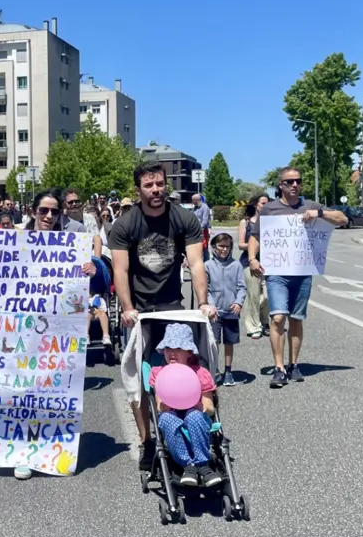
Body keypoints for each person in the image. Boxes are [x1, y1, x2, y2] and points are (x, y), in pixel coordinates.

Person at [0, 188, 97, 480]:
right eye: (43, 210)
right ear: (32, 211)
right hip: (17, 328)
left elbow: (95, 284)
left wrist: (93, 269)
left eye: (54, 211)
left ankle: (46, 449)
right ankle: (20, 451)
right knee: (20, 389)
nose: (48, 216)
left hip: (54, 332)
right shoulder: (13, 239)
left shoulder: (72, 243)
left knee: (47, 390)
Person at [108, 162, 214, 472]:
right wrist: (127, 307)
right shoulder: (126, 224)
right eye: (148, 186)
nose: (156, 190)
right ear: (138, 190)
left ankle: (193, 430)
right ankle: (147, 440)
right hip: (140, 311)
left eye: (159, 184)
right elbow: (121, 269)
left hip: (173, 306)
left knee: (188, 368)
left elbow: (195, 264)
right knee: (140, 379)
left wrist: (204, 303)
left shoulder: (183, 218)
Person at [246, 167, 347, 388]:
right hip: (277, 273)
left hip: (302, 273)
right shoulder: (270, 210)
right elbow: (255, 236)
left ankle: (294, 364)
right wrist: (253, 258)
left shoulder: (309, 206)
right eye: (289, 181)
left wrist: (319, 214)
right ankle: (279, 368)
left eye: (298, 181)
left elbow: (342, 219)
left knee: (296, 319)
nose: (294, 185)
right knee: (278, 317)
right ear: (280, 185)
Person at [148, 324, 223, 488]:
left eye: (178, 348)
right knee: (167, 418)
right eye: (168, 348)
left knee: (194, 416)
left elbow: (210, 407)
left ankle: (203, 465)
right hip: (172, 414)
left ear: (189, 352)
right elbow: (159, 403)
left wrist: (198, 405)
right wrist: (163, 406)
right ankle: (188, 466)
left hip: (195, 415)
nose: (172, 353)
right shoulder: (159, 372)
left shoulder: (200, 373)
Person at [205, 233, 246, 387]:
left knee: (229, 342)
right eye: (221, 246)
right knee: (213, 342)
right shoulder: (207, 265)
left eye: (227, 246)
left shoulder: (236, 265)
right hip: (214, 312)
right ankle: (213, 370)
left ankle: (228, 370)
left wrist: (238, 302)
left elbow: (242, 287)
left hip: (231, 311)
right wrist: (210, 306)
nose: (224, 249)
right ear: (214, 247)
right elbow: (205, 289)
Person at [237, 195, 270, 339]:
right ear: (256, 205)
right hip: (249, 263)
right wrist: (255, 246)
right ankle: (254, 326)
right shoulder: (246, 222)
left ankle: (264, 322)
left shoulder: (271, 222)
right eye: (263, 203)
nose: (266, 205)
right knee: (253, 296)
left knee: (268, 296)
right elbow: (240, 244)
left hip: (269, 263)